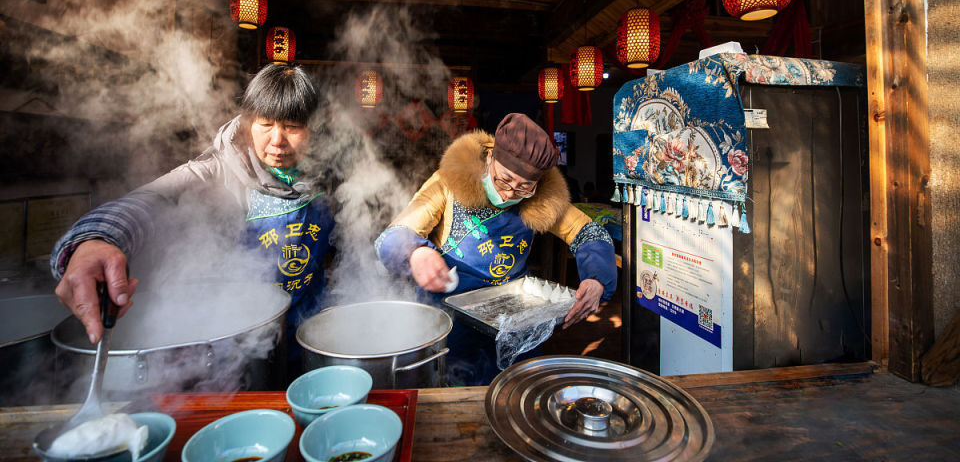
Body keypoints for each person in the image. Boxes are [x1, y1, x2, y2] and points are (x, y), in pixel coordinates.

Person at [50, 64, 335, 371]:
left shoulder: (328, 171)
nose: (277, 139)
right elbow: (153, 198)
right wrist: (96, 239)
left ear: (313, 129)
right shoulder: (219, 170)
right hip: (246, 344)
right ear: (248, 123)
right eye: (265, 124)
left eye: (292, 127)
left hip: (312, 334)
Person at [375, 112, 617, 385]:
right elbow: (393, 235)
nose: (509, 193)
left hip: (513, 314)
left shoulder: (543, 197)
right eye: (503, 180)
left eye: (524, 187)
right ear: (490, 158)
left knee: (517, 388)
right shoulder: (449, 182)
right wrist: (416, 252)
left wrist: (597, 278)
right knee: (449, 388)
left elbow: (588, 232)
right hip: (449, 312)